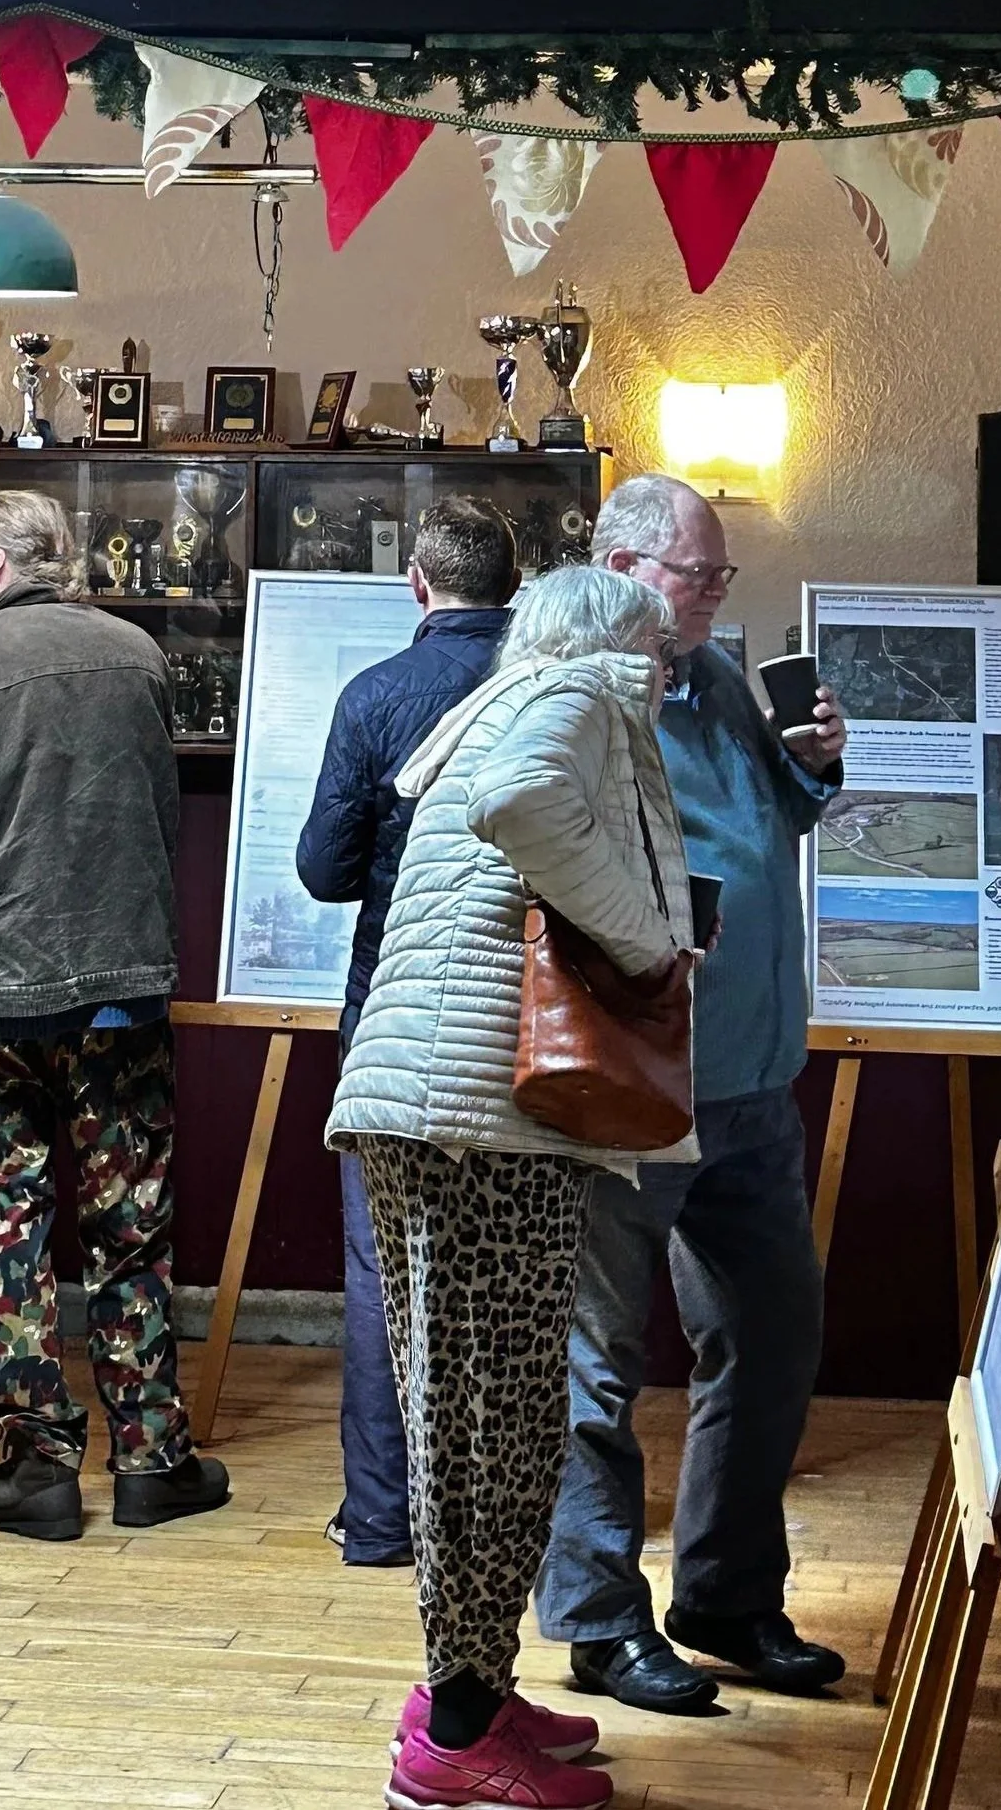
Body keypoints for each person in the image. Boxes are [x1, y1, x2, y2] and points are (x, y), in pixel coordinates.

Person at [327, 565, 699, 1810]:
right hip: (477, 1118)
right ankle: (454, 1735)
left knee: (490, 1407)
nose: (668, 658)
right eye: (660, 635)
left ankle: (466, 1686)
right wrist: (649, 943)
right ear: (620, 636)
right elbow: (526, 801)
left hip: (461, 1109)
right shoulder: (584, 690)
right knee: (486, 1420)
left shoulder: (505, 691)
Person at [534, 472, 850, 1714]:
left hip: (754, 1080)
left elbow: (764, 825)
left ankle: (724, 1597)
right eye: (696, 577)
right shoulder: (577, 689)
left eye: (723, 577)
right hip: (633, 1079)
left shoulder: (713, 676)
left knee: (772, 1338)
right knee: (597, 1369)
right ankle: (601, 1624)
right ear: (620, 565)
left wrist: (811, 766)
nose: (717, 598)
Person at [0, 487, 227, 1540]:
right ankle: (151, 1458)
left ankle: (37, 1466)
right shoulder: (137, 658)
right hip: (121, 993)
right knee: (131, 1231)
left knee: (2, 1234)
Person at [294, 496, 517, 1569]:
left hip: (393, 1015)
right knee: (519, 1272)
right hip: (525, 1021)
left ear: (419, 588)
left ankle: (383, 1519)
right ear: (513, 588)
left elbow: (324, 870)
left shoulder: (378, 695)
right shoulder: (553, 693)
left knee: (387, 1269)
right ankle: (503, 1519)